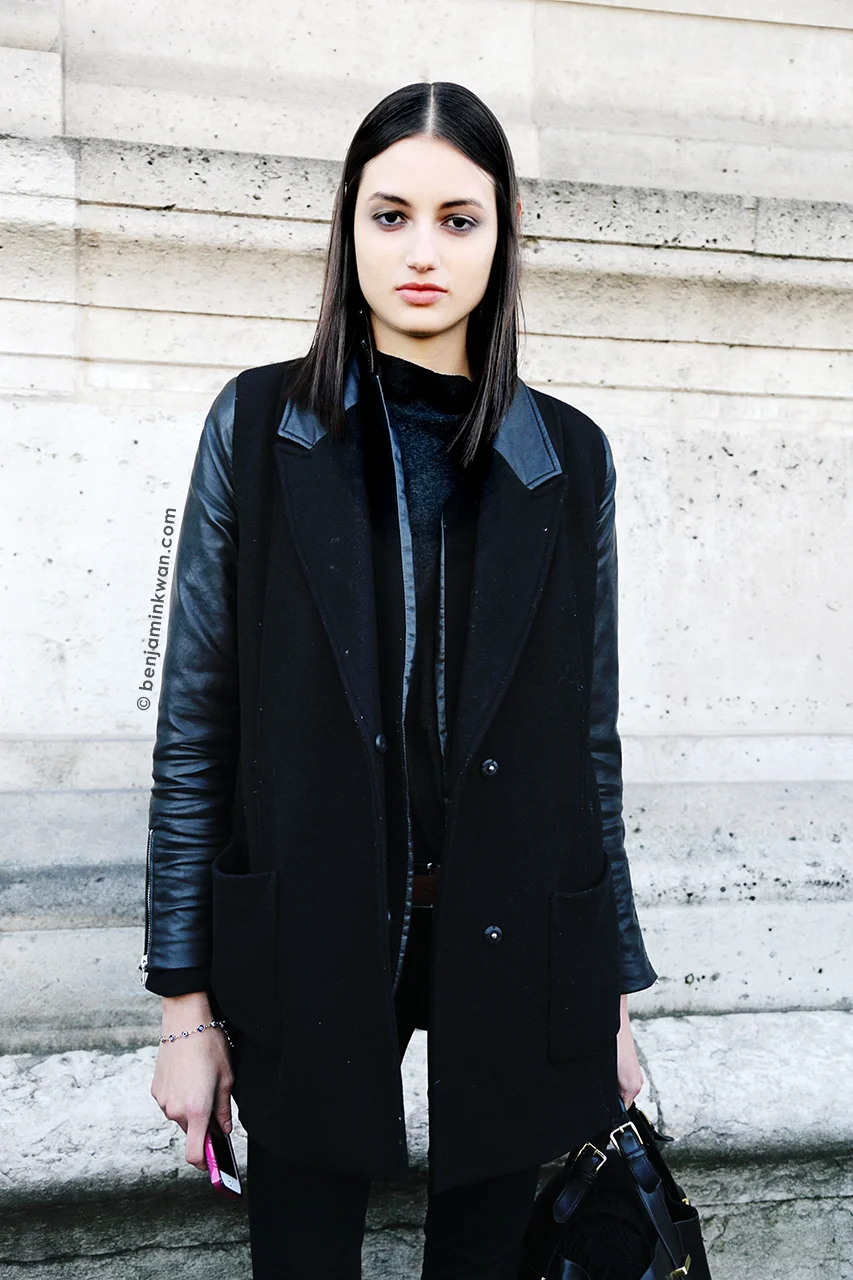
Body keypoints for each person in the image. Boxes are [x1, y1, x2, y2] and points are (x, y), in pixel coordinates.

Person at [142, 80, 658, 1280]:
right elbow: (195, 724)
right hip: (309, 926)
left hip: (515, 940)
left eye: (457, 218)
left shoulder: (568, 455)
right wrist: (185, 1009)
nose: (421, 251)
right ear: (347, 226)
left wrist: (610, 992)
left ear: (504, 230)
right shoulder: (261, 422)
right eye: (390, 215)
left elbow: (588, 738)